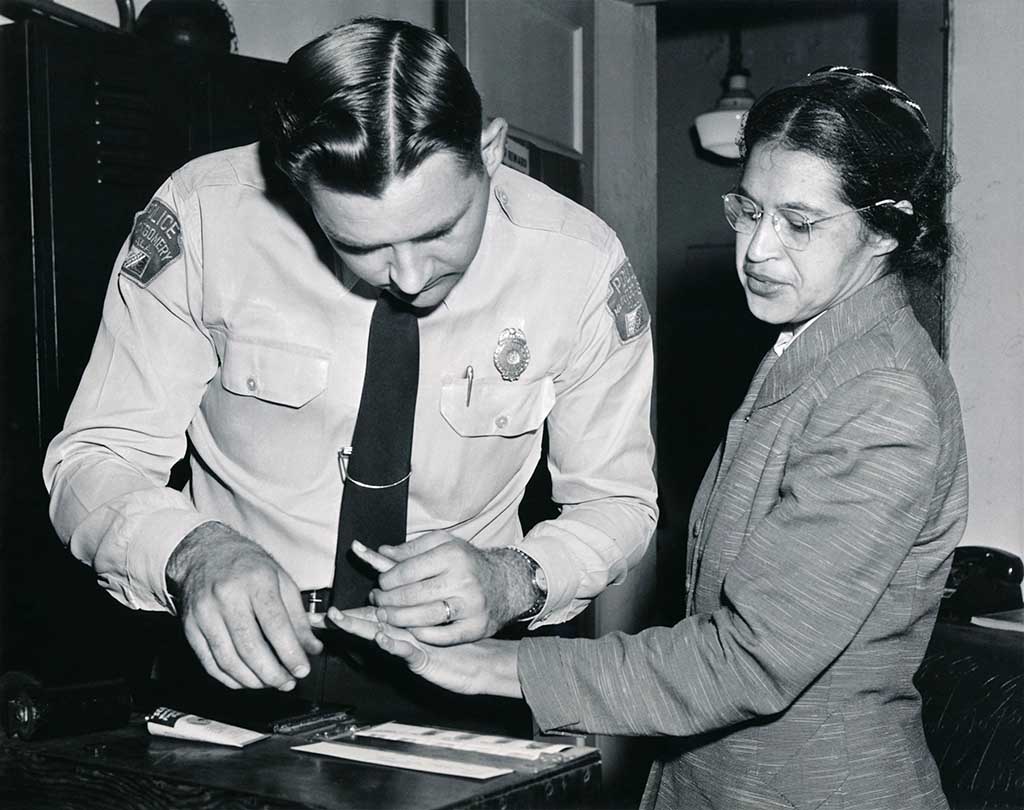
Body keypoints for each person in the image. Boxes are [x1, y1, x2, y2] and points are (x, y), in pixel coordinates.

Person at [333, 66, 968, 809]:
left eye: (799, 223)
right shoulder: (816, 348)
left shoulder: (881, 396)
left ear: (885, 231)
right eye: (749, 210)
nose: (758, 249)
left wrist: (493, 667)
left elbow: (751, 659)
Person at [42, 17, 657, 720]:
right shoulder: (205, 217)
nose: (411, 276)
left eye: (439, 230)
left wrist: (515, 578)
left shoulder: (578, 265)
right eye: (360, 244)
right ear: (296, 187)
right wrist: (192, 552)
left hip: (466, 672)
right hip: (236, 665)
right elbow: (95, 457)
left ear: (489, 150)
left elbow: (620, 501)